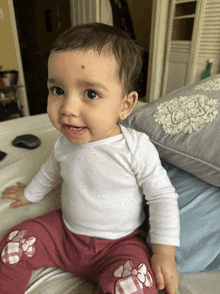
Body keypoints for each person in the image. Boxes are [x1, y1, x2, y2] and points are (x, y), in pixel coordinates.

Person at [0, 23, 179, 294]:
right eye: (57, 90)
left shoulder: (135, 147)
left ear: (125, 105)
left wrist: (164, 253)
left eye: (91, 94)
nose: (68, 108)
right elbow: (52, 171)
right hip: (65, 237)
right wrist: (30, 194)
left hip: (119, 246)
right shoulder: (64, 143)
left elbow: (162, 197)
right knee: (13, 243)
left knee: (137, 284)